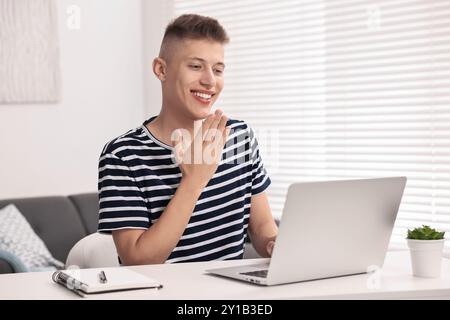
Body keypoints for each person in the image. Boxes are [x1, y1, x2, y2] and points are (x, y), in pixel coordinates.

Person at [97, 14, 278, 265]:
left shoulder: (239, 137)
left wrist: (274, 243)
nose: (210, 81)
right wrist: (194, 180)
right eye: (195, 66)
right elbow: (138, 261)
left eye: (217, 69)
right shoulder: (123, 155)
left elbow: (260, 227)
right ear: (161, 69)